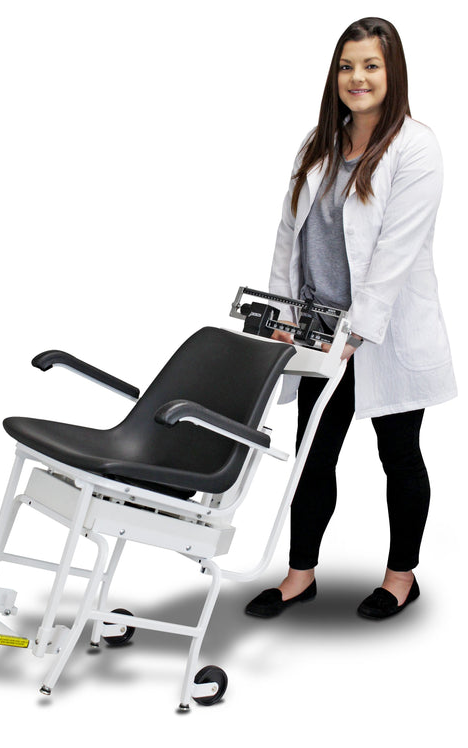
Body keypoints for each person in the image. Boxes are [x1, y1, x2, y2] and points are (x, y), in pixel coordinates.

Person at [245, 17, 457, 620]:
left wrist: (357, 331)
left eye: (370, 65)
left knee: (399, 454)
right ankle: (300, 576)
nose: (356, 77)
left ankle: (400, 578)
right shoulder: (318, 145)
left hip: (383, 335)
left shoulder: (416, 147)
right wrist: (281, 316)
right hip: (316, 332)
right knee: (312, 454)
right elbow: (288, 237)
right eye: (346, 66)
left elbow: (394, 252)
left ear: (393, 73)